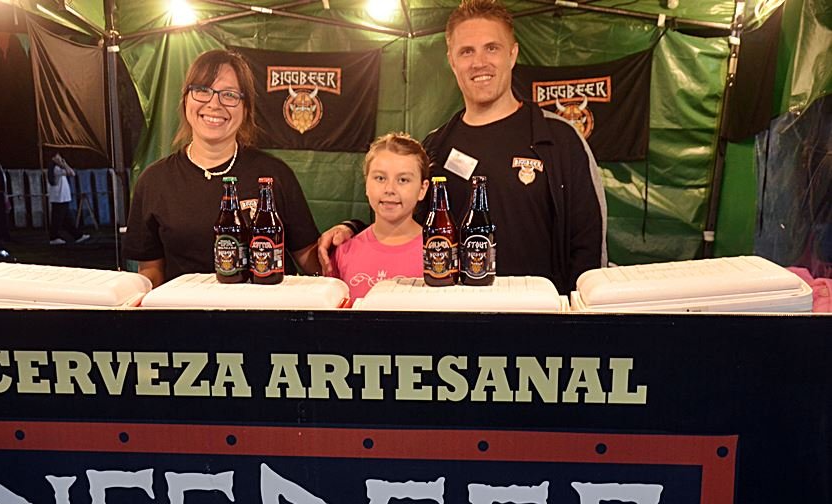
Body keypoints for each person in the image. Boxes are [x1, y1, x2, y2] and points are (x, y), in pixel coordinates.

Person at [318, 0, 606, 295]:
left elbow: (589, 243)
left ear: (512, 54)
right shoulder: (436, 147)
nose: (479, 62)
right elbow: (402, 220)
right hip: (454, 314)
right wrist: (353, 230)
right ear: (452, 61)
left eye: (491, 48)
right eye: (466, 51)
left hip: (540, 314)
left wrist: (578, 313)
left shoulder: (560, 140)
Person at [124, 49, 321, 287]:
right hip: (187, 309)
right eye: (202, 90)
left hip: (263, 309)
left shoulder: (273, 175)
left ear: (246, 108)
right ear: (185, 100)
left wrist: (351, 231)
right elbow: (151, 272)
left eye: (229, 95)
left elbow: (312, 260)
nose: (214, 104)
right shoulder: (154, 181)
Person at [329, 132, 429, 299]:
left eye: (403, 180)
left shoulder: (439, 254)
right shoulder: (343, 252)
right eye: (380, 178)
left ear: (422, 189)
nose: (390, 189)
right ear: (366, 184)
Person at [46, 152, 90, 245]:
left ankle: (77, 235)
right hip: (59, 198)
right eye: (57, 157)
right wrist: (64, 164)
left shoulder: (58, 168)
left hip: (62, 197)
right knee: (57, 219)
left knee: (66, 219)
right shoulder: (56, 169)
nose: (60, 159)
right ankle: (54, 237)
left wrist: (63, 164)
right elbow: (71, 173)